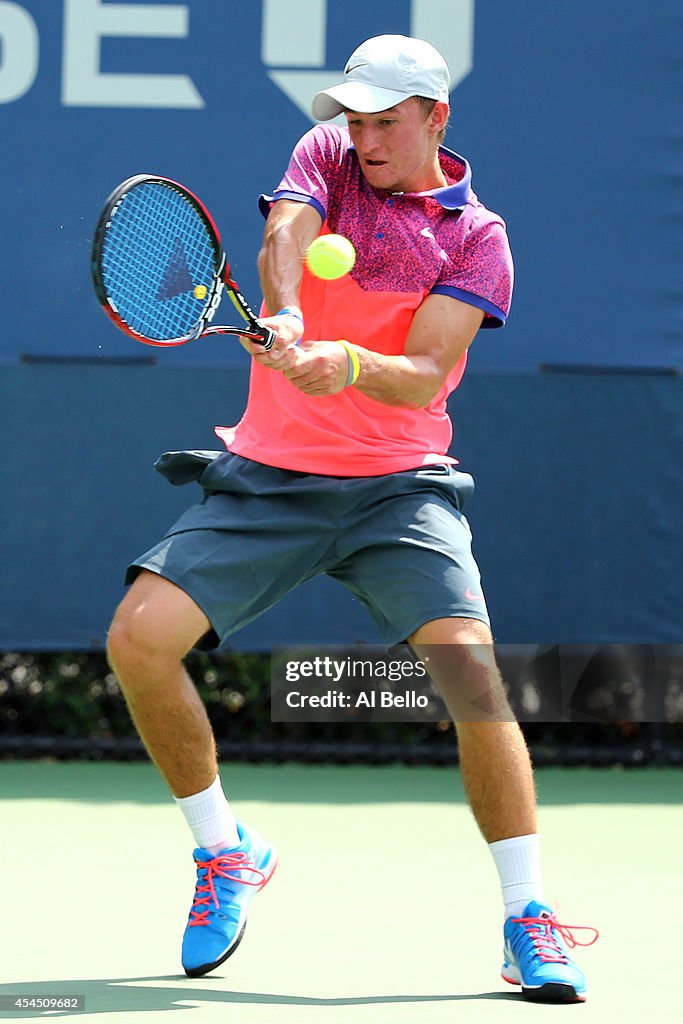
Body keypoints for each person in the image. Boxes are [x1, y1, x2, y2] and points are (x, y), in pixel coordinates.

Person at [107, 34, 597, 1002]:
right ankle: (224, 852)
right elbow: (285, 231)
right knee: (137, 640)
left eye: (384, 121)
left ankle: (526, 916)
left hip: (396, 484)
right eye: (354, 118)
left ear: (434, 119)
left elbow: (422, 374)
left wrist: (348, 366)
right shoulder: (326, 154)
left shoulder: (476, 237)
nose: (362, 137)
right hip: (269, 474)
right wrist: (287, 315)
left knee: (473, 680)